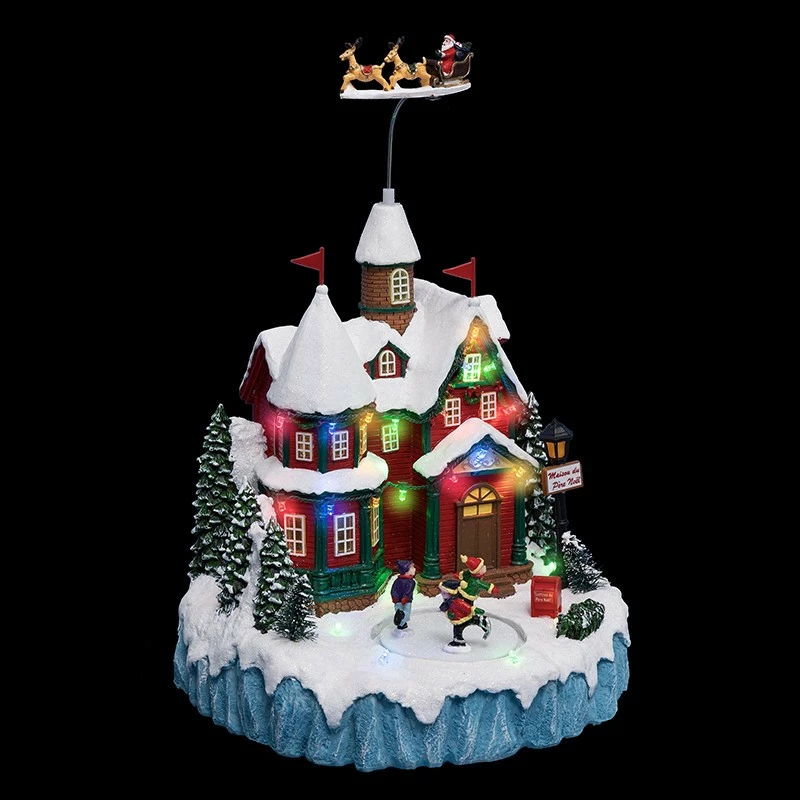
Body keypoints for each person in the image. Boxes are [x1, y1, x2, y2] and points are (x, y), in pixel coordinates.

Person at [438, 554, 498, 647]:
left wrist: (474, 609)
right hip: (462, 606)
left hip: (460, 611)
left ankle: (459, 639)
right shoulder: (471, 577)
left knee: (460, 624)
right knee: (465, 620)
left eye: (444, 592)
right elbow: (462, 575)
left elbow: (463, 605)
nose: (442, 594)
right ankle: (479, 621)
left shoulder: (474, 582)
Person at [391, 559, 416, 630]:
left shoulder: (397, 581)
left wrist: (395, 597)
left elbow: (394, 590)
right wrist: (405, 597)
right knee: (406, 613)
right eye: (412, 568)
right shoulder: (411, 582)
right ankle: (402, 616)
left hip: (398, 601)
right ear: (406, 571)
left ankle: (400, 622)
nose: (414, 569)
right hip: (406, 601)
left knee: (398, 610)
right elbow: (409, 591)